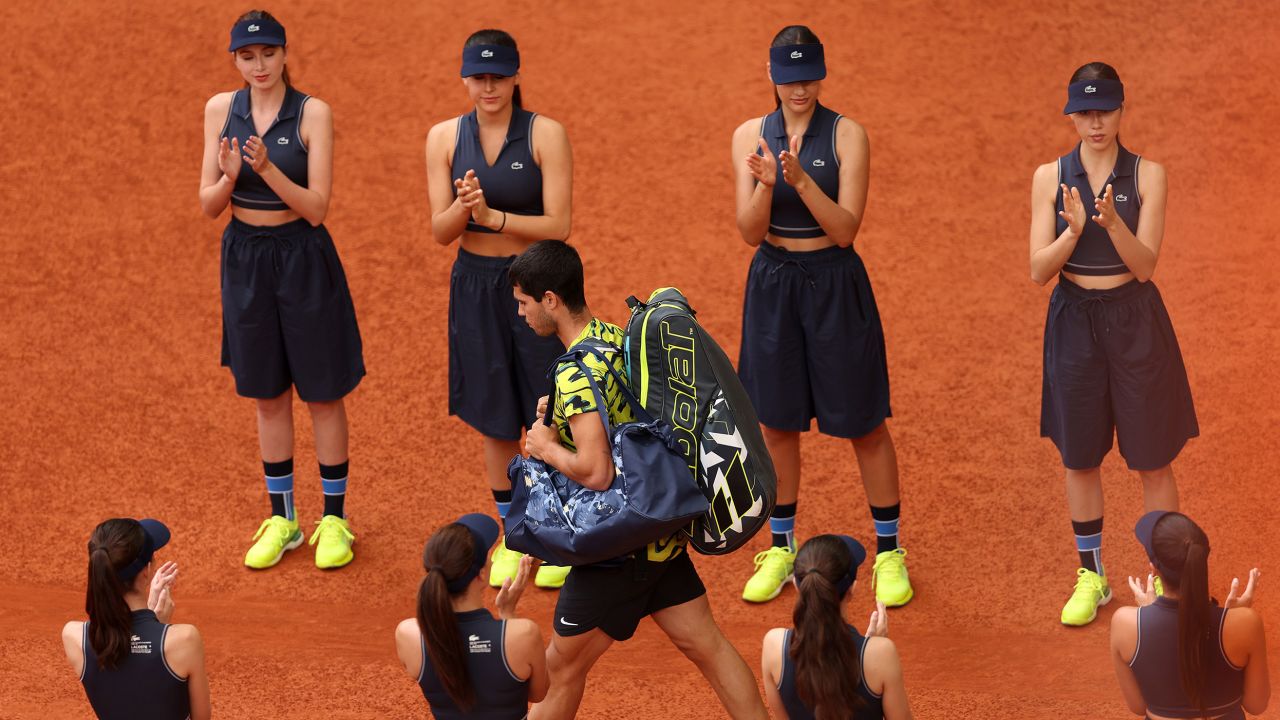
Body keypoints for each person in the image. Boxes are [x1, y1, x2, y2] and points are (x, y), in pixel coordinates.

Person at [509, 240, 768, 719]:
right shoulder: (616, 336)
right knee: (708, 646)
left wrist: (545, 445)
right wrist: (564, 418)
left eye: (524, 302)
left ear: (550, 300)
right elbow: (628, 413)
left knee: (560, 670)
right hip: (660, 533)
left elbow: (596, 469)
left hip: (617, 551)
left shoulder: (573, 374)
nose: (521, 314)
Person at [731, 25, 913, 606]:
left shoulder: (847, 135)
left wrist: (802, 181)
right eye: (789, 79)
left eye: (808, 77)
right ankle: (781, 547)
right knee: (776, 424)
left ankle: (888, 553)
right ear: (772, 78)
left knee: (864, 424)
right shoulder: (748, 136)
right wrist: (764, 188)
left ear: (822, 75)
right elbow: (749, 232)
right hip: (773, 284)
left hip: (835, 285)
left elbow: (844, 229)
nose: (799, 89)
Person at [1028, 62, 1199, 625]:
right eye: (1084, 112)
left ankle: (1165, 577)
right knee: (1079, 456)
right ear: (1072, 115)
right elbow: (1037, 269)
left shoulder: (1149, 174)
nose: (1095, 122)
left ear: (1122, 111)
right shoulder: (1048, 177)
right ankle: (1092, 576)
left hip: (1135, 320)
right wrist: (1074, 232)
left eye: (1105, 110)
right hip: (1074, 319)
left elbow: (1146, 266)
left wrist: (1111, 224)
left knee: (1152, 457)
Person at [199, 10, 364, 570]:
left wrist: (267, 169)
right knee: (267, 395)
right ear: (236, 61)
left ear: (285, 54)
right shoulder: (221, 110)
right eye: (248, 56)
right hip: (245, 260)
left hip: (302, 257)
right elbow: (208, 203)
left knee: (322, 393)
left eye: (268, 53)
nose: (259, 65)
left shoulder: (313, 113)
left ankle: (335, 520)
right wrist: (227, 176)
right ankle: (284, 519)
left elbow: (317, 208)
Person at [425, 28, 574, 590]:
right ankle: (515, 534)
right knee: (493, 413)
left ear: (516, 77)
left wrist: (495, 219)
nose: (488, 87)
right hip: (474, 283)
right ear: (465, 79)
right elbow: (440, 232)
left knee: (552, 405)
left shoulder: (545, 135)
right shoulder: (443, 138)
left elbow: (559, 225)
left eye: (498, 76)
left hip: (535, 284)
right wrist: (464, 211)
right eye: (478, 77)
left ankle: (561, 527)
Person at [1110, 512, 1268, 719]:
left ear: (1154, 570)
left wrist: (1149, 613)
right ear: (1202, 561)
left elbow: (1139, 707)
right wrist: (1235, 617)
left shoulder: (1125, 624)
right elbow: (1256, 705)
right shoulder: (1246, 623)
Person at [395, 513, 549, 717]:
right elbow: (538, 694)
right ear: (481, 574)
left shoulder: (409, 635)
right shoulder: (522, 634)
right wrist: (508, 612)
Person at [61, 519, 210, 720]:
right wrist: (158, 628)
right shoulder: (184, 640)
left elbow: (128, 660)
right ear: (146, 572)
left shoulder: (74, 637)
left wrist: (153, 624)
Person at [762, 535, 912, 719]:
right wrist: (872, 649)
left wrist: (869, 649)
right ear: (852, 590)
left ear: (796, 586)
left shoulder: (773, 645)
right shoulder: (882, 654)